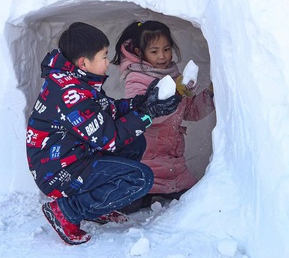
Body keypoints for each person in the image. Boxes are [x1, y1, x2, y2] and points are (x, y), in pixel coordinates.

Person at [26, 22, 182, 245]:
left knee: (135, 143)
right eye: (104, 56)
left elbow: (109, 111)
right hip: (60, 171)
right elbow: (110, 139)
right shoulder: (71, 93)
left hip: (74, 156)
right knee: (140, 178)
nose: (107, 62)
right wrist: (148, 114)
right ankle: (67, 210)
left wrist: (142, 102)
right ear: (84, 62)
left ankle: (95, 207)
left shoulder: (77, 80)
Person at [111, 20, 215, 212]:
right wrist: (177, 92)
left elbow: (190, 111)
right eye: (154, 51)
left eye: (166, 49)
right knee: (135, 199)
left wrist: (210, 95)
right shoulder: (137, 78)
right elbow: (147, 116)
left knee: (192, 200)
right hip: (147, 159)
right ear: (140, 52)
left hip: (173, 160)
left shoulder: (176, 77)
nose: (162, 56)